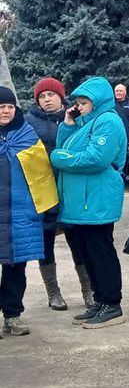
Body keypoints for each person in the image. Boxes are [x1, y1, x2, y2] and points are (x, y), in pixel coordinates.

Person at [51, 77, 127, 329]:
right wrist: (68, 124)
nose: (79, 107)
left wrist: (60, 158)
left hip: (96, 200)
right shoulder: (85, 123)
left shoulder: (108, 121)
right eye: (78, 103)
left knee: (100, 252)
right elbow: (66, 147)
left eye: (84, 103)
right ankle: (98, 301)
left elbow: (96, 158)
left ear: (97, 102)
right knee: (87, 253)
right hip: (81, 202)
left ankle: (112, 303)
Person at [25, 77, 93, 311]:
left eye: (51, 95)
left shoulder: (77, 118)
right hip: (42, 190)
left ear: (60, 97)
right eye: (42, 96)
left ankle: (88, 290)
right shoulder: (28, 122)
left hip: (70, 188)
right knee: (45, 242)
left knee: (78, 241)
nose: (47, 99)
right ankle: (53, 292)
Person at [0, 86, 50, 336]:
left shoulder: (27, 135)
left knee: (15, 268)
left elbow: (42, 174)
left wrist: (44, 208)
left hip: (21, 214)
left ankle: (12, 315)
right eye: (1, 107)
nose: (6, 111)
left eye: (9, 106)